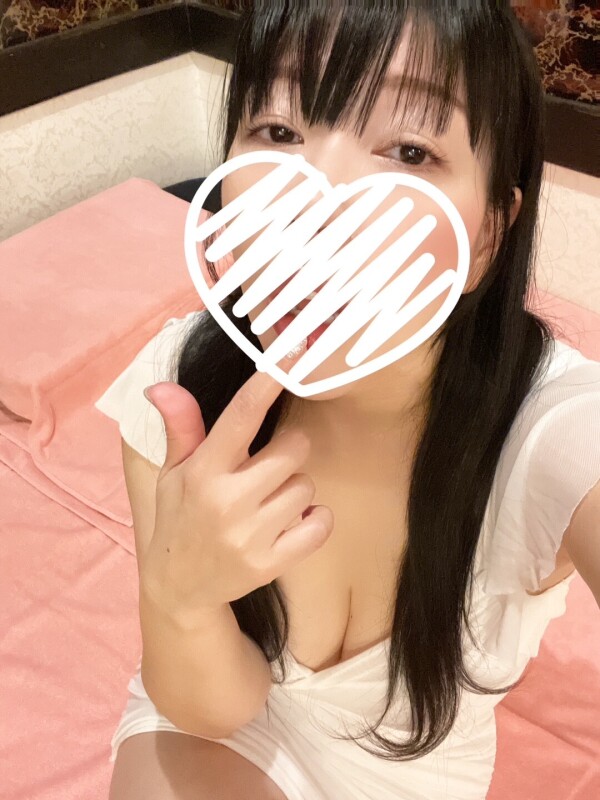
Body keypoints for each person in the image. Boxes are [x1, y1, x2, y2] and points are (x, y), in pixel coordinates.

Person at [98, 2, 600, 798]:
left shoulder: (554, 428)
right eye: (278, 130)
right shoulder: (178, 386)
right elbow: (212, 708)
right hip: (209, 721)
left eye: (410, 150)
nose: (316, 203)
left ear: (488, 238)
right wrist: (179, 598)